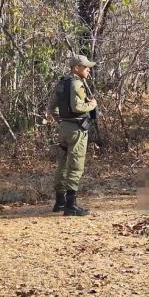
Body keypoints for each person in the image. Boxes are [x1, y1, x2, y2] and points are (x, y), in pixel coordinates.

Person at [47, 55, 98, 216]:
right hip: (76, 130)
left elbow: (51, 107)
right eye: (85, 67)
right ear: (76, 68)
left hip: (64, 128)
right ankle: (71, 205)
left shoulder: (62, 82)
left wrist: (62, 122)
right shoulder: (76, 83)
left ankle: (60, 202)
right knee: (75, 164)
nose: (88, 69)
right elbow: (77, 107)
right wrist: (92, 104)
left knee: (62, 164)